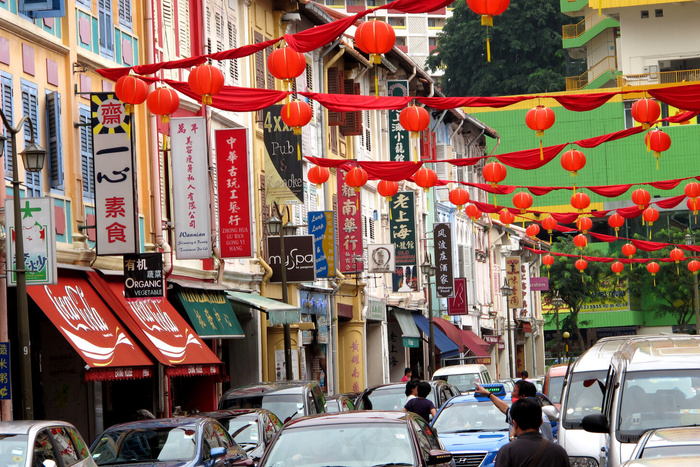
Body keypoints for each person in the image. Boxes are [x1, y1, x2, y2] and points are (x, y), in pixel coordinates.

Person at [494, 398, 569, 467]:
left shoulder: (507, 452)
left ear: (515, 424)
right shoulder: (558, 452)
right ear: (541, 422)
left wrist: (512, 437)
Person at [475, 380, 553, 442]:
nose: (512, 394)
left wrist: (512, 438)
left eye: (514, 391)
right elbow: (505, 408)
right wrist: (488, 394)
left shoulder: (525, 416)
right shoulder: (521, 413)